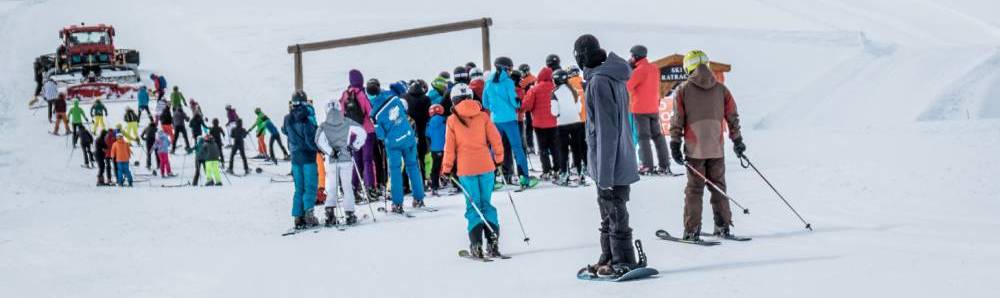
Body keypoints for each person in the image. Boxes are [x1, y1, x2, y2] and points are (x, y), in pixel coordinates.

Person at [575, 34, 643, 277]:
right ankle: (609, 255)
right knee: (608, 209)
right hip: (616, 157)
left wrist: (603, 173)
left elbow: (606, 131)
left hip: (610, 161)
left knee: (614, 209)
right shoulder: (610, 77)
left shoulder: (600, 82)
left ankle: (623, 258)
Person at [670, 49, 745, 240]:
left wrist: (675, 143)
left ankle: (691, 229)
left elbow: (677, 119)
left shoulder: (683, 90)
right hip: (716, 147)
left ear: (689, 67)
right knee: (718, 185)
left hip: (695, 149)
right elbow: (732, 116)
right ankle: (723, 225)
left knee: (694, 189)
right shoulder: (721, 89)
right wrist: (737, 140)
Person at [441, 83, 506, 259]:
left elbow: (449, 148)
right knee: (486, 204)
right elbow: (496, 139)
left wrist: (446, 169)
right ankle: (493, 244)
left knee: (474, 206)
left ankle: (476, 244)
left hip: (466, 169)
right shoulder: (483, 116)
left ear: (454, 100)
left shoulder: (452, 120)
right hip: (486, 167)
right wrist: (499, 158)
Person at [370, 79, 427, 213]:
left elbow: (381, 135)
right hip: (408, 136)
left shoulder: (374, 113)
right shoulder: (395, 99)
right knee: (413, 166)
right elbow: (404, 113)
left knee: (395, 171)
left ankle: (397, 203)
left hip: (393, 143)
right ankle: (419, 198)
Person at [482, 56, 538, 190]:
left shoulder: (488, 82)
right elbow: (514, 101)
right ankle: (524, 178)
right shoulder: (507, 82)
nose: (510, 72)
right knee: (517, 148)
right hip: (509, 120)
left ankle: (491, 180)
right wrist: (518, 103)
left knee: (494, 149)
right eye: (510, 69)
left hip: (495, 120)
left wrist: (495, 108)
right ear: (504, 68)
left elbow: (485, 103)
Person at [316, 98, 368, 226]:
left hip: (332, 161)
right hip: (346, 159)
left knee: (332, 187)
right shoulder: (347, 122)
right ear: (339, 108)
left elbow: (318, 140)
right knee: (347, 187)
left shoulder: (323, 125)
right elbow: (362, 132)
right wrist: (355, 146)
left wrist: (330, 151)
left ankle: (330, 215)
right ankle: (350, 214)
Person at [626, 45, 673, 175]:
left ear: (636, 56)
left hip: (640, 109)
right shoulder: (654, 68)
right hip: (653, 108)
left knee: (643, 137)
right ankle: (664, 165)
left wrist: (629, 71)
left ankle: (647, 166)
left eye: (631, 56)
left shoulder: (639, 70)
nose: (630, 58)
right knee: (658, 136)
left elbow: (628, 86)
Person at [283, 91, 321, 229]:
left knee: (299, 188)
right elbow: (310, 139)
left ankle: (298, 217)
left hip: (295, 158)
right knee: (310, 186)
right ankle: (309, 215)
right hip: (308, 157)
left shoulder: (287, 118)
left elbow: (285, 131)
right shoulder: (307, 118)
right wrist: (318, 149)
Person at [341, 70, 377, 197]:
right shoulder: (362, 94)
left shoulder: (345, 95)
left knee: (356, 161)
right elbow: (371, 112)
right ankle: (370, 187)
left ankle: (353, 188)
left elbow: (342, 115)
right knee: (367, 160)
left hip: (352, 134)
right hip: (367, 132)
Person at [521, 67, 559, 181]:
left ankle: (546, 171)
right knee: (556, 148)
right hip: (555, 123)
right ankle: (558, 169)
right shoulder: (556, 88)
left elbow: (527, 106)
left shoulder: (534, 89)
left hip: (539, 124)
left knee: (543, 149)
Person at [552, 69, 587, 186]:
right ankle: (579, 172)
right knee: (577, 148)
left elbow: (554, 111)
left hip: (562, 124)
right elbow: (579, 108)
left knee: (563, 150)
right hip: (576, 122)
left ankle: (564, 174)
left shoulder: (555, 93)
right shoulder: (574, 90)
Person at [403, 80, 431, 181]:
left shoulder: (404, 97)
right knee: (422, 157)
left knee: (408, 158)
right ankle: (423, 178)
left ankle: (406, 182)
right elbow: (428, 116)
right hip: (422, 131)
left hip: (408, 131)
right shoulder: (426, 99)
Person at [426, 104, 446, 196]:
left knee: (435, 167)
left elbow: (428, 135)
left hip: (435, 149)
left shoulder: (429, 124)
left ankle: (434, 187)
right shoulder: (445, 121)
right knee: (450, 164)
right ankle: (455, 183)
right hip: (446, 147)